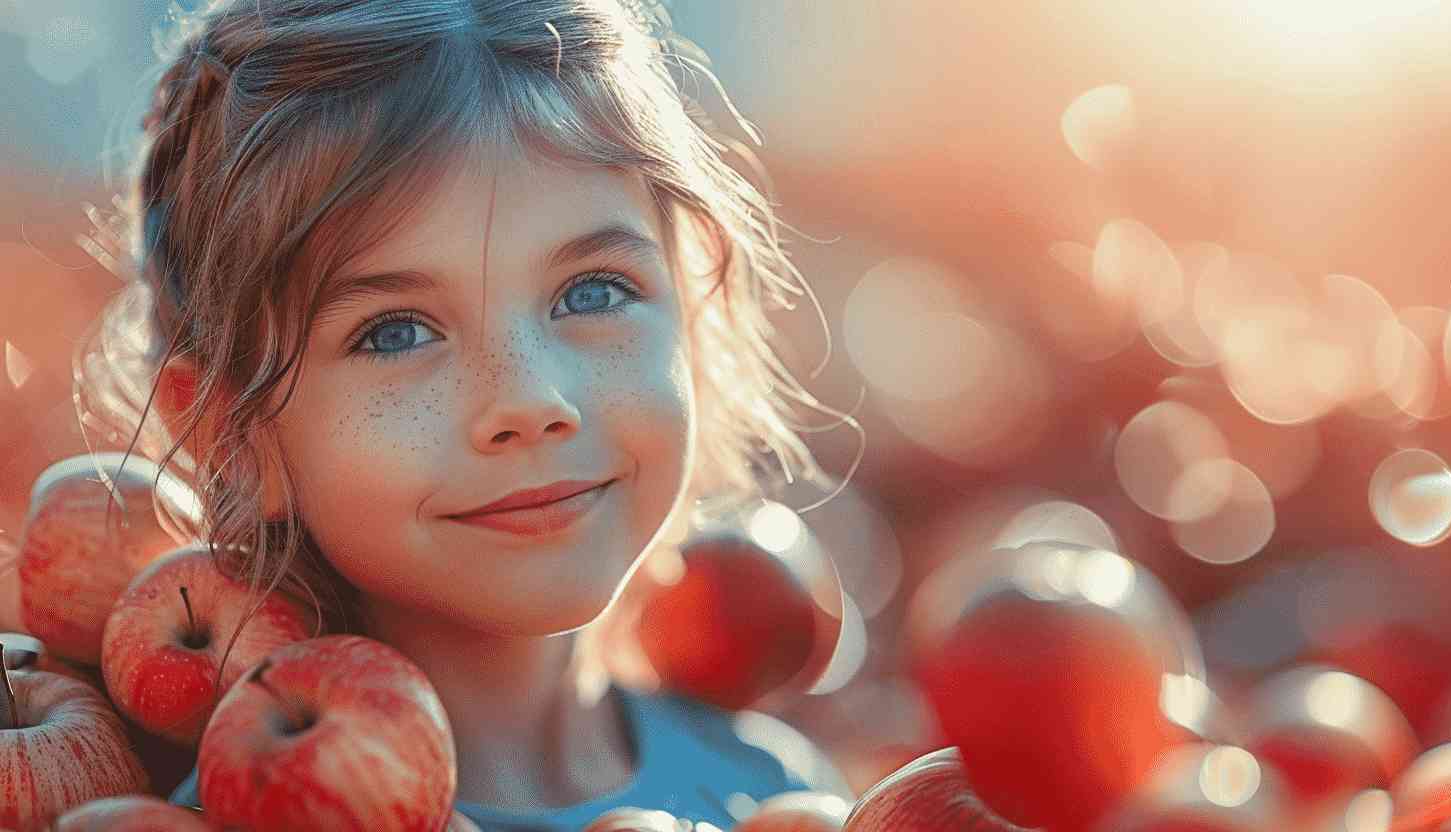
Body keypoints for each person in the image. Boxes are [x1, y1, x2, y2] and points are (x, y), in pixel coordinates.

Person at [71, 0, 863, 829]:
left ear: (691, 314)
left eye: (593, 292)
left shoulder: (776, 794)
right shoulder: (231, 823)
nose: (531, 400)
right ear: (231, 434)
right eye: (396, 333)